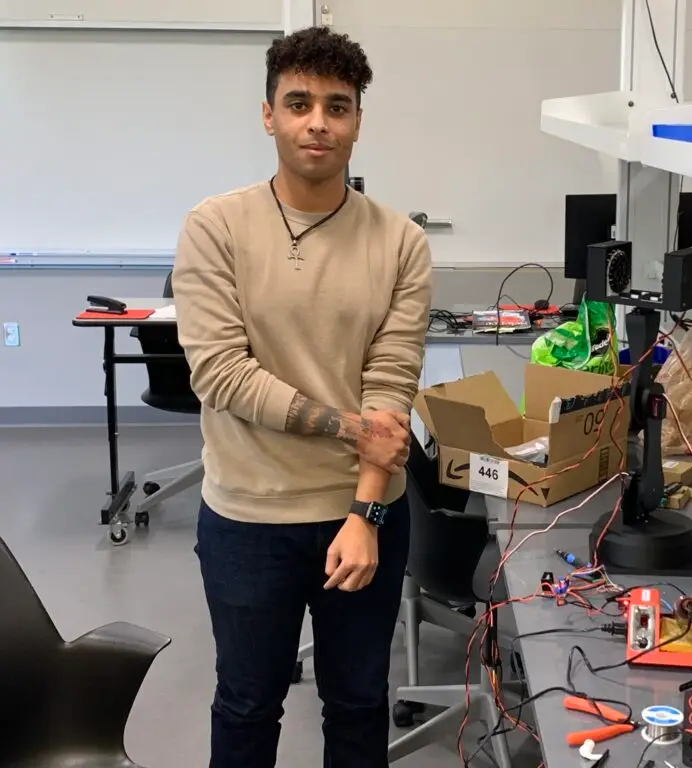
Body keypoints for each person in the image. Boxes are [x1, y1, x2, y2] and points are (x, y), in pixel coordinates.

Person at [172, 26, 432, 768]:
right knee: (248, 705)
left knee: (357, 704)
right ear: (269, 115)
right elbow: (220, 372)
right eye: (299, 103)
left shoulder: (400, 242)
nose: (317, 120)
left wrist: (365, 512)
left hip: (363, 514)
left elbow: (392, 380)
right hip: (248, 518)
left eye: (336, 106)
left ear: (356, 120)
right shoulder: (215, 227)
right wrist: (346, 426)